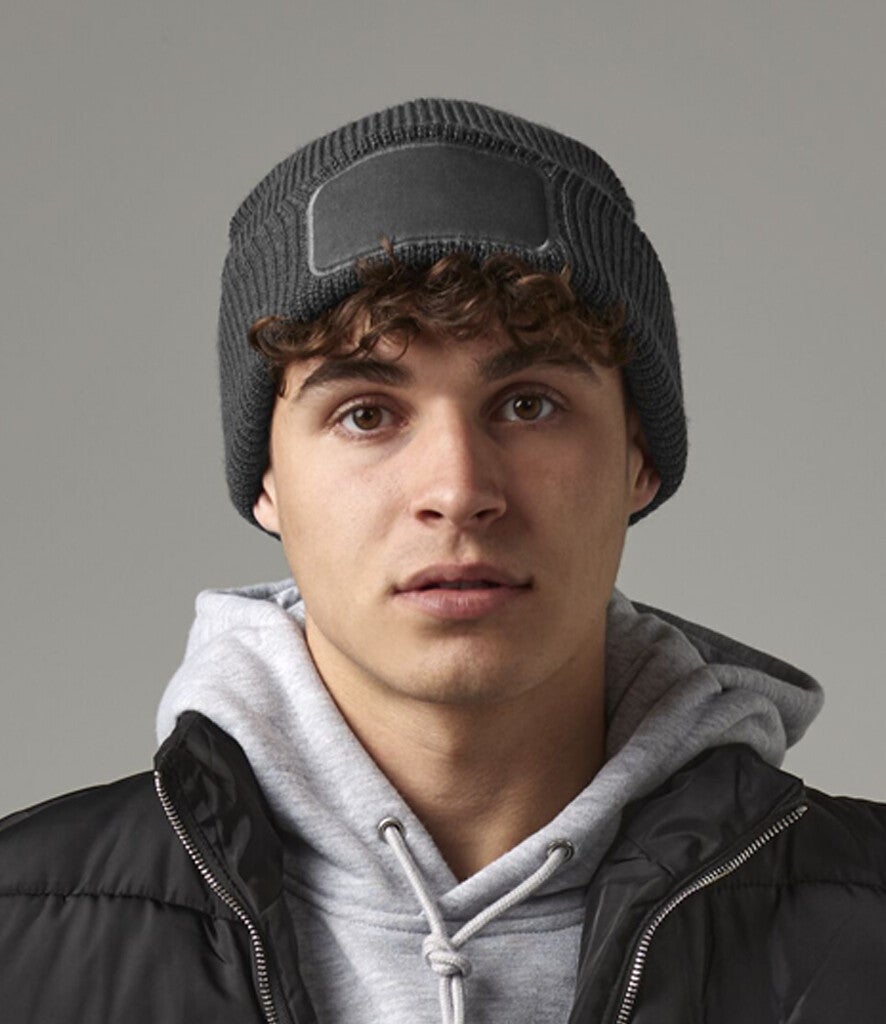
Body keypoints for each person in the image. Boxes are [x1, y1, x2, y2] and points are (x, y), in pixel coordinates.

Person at [1, 98, 884, 1024]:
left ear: (640, 458)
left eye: (529, 404)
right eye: (366, 414)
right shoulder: (21, 933)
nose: (458, 491)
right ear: (267, 481)